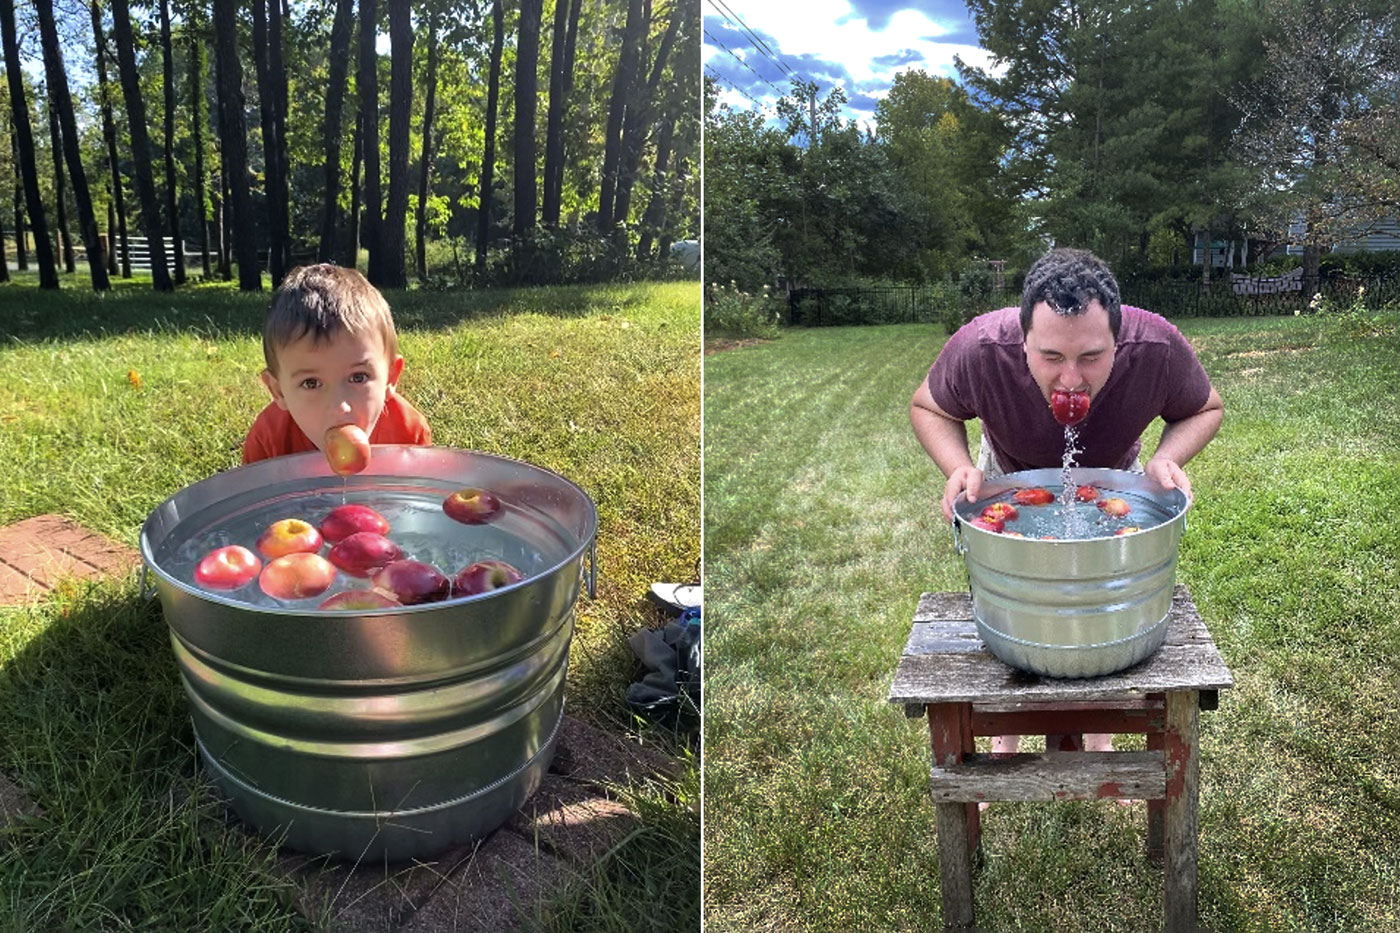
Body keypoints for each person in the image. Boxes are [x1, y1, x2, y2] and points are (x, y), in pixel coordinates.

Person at [909, 247, 1223, 764]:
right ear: (1023, 339)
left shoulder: (1157, 348)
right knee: (1014, 606)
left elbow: (1205, 407)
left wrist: (1168, 457)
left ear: (1120, 342)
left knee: (1096, 602)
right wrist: (958, 468)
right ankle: (1004, 733)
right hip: (1005, 476)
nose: (1071, 379)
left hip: (1113, 477)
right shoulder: (983, 347)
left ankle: (1099, 728)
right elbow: (929, 405)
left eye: (1092, 357)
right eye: (1051, 357)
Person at [243, 264, 432, 465]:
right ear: (278, 391)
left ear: (390, 377)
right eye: (311, 383)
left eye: (358, 377)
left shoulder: (409, 435)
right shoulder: (269, 442)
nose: (339, 407)